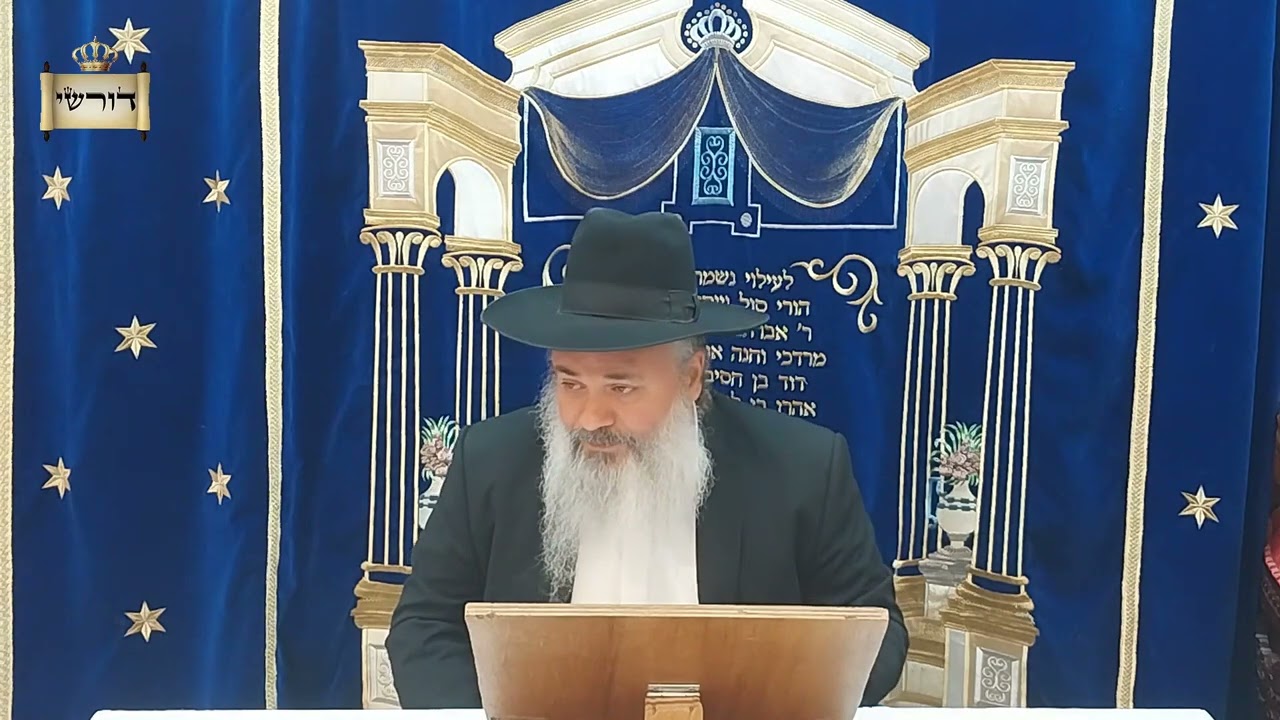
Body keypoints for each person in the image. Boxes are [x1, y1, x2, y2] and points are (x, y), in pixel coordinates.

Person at [386, 207, 907, 707]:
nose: (590, 418)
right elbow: (425, 627)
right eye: (570, 382)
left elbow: (876, 637)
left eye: (622, 387)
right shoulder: (491, 460)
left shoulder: (802, 467)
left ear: (691, 377)